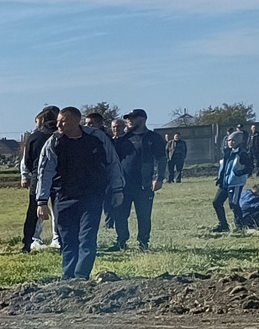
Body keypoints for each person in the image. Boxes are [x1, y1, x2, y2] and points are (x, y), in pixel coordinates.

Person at [35, 106, 121, 278]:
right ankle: (69, 277)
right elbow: (45, 172)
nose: (58, 124)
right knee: (68, 240)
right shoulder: (54, 142)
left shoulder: (96, 138)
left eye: (63, 120)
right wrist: (42, 201)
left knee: (87, 238)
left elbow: (113, 163)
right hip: (64, 197)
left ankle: (81, 276)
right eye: (58, 120)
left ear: (76, 120)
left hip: (92, 196)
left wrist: (117, 189)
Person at [109, 109, 165, 251]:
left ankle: (143, 243)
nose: (129, 121)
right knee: (120, 215)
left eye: (133, 118)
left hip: (144, 185)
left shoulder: (154, 138)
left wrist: (159, 178)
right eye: (128, 118)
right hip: (124, 185)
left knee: (144, 216)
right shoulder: (123, 139)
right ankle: (121, 242)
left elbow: (162, 159)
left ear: (143, 119)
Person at [20, 107, 59, 251]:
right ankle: (58, 238)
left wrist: (31, 173)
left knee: (34, 210)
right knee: (58, 209)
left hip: (38, 176)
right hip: (59, 177)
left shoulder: (34, 137)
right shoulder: (62, 135)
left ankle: (30, 241)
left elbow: (27, 159)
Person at [212, 138, 247, 234]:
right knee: (217, 202)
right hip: (224, 183)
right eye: (229, 140)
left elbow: (249, 166)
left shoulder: (242, 153)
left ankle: (240, 227)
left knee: (234, 204)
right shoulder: (226, 152)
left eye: (233, 140)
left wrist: (239, 173)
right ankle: (223, 225)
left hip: (235, 183)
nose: (231, 142)